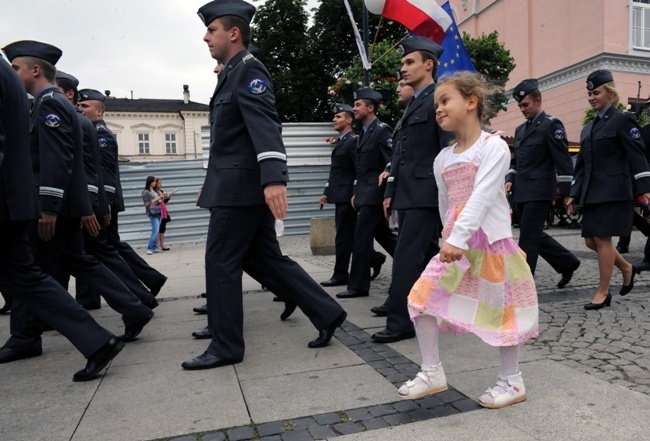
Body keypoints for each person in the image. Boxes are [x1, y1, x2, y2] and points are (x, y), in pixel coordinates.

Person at [185, 0, 347, 370]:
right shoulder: (232, 71)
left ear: (234, 33)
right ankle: (327, 311)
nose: (206, 37)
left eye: (212, 30)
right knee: (264, 258)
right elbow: (233, 138)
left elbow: (265, 125)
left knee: (221, 260)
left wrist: (274, 179)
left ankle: (225, 346)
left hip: (242, 188)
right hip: (236, 185)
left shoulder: (248, 70)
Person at [396, 71, 538, 409]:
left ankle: (511, 380)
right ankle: (432, 372)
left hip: (490, 244)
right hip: (455, 248)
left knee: (505, 314)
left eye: (445, 101)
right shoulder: (442, 158)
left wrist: (456, 238)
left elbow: (482, 196)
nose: (438, 110)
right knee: (420, 299)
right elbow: (447, 205)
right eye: (435, 106)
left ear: (471, 102)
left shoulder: (493, 147)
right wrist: (449, 237)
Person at [0, 41, 124, 381]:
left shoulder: (50, 104)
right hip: (32, 199)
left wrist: (54, 206)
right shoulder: (42, 100)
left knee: (42, 270)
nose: (14, 74)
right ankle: (44, 336)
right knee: (31, 273)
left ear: (35, 70)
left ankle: (129, 311)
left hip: (32, 201)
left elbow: (69, 163)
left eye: (18, 67)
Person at [371, 37, 451, 344]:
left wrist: (453, 195)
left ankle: (401, 322)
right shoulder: (415, 102)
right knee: (430, 255)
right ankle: (443, 304)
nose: (402, 68)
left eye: (409, 62)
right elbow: (400, 155)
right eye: (403, 63)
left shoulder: (438, 99)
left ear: (428, 64)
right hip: (410, 192)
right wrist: (392, 188)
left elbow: (448, 149)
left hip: (426, 193)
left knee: (406, 257)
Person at [567, 70, 650, 309]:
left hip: (614, 190)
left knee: (602, 240)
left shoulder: (623, 119)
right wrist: (573, 193)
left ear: (610, 93)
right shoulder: (589, 127)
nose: (592, 97)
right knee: (591, 242)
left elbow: (637, 156)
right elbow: (582, 164)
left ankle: (603, 292)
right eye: (590, 93)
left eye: (596, 92)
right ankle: (627, 268)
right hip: (592, 191)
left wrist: (646, 188)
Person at [78, 89, 168, 296]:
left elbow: (105, 171)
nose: (80, 109)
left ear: (99, 111)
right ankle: (150, 280)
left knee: (104, 247)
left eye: (85, 106)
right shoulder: (91, 132)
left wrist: (106, 202)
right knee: (105, 247)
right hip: (103, 199)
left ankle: (145, 285)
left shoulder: (100, 134)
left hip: (104, 201)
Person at [505, 79, 580, 288]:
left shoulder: (551, 125)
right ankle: (568, 262)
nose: (522, 109)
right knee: (534, 233)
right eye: (520, 105)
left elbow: (563, 160)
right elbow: (515, 161)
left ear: (538, 100)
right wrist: (510, 179)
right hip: (521, 191)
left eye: (525, 105)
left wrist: (567, 193)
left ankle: (522, 285)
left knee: (528, 238)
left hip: (539, 191)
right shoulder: (520, 130)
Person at [336, 87, 397, 299]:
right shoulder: (362, 133)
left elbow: (391, 159)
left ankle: (358, 286)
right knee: (385, 236)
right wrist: (356, 192)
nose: (355, 108)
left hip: (375, 194)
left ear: (370, 108)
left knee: (361, 239)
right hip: (365, 194)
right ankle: (419, 262)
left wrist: (388, 175)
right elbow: (361, 168)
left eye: (358, 105)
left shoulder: (382, 130)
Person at [319, 104, 385, 286]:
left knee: (344, 236)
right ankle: (373, 257)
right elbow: (337, 171)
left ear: (349, 120)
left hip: (349, 196)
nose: (334, 119)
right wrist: (326, 192)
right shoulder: (342, 141)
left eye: (339, 117)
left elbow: (359, 170)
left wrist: (356, 192)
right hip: (340, 193)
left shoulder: (353, 141)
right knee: (351, 235)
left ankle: (341, 274)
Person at [142, 176, 162, 255]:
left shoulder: (155, 191)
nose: (155, 183)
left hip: (158, 212)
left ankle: (155, 247)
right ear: (150, 182)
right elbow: (147, 204)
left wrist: (161, 199)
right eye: (154, 181)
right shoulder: (146, 192)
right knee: (155, 230)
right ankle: (149, 248)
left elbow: (158, 201)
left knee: (157, 231)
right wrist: (156, 199)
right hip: (152, 213)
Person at [155, 178, 172, 251]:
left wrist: (168, 197)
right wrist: (162, 197)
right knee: (158, 228)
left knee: (163, 228)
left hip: (164, 210)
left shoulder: (161, 191)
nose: (160, 184)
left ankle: (162, 244)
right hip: (158, 211)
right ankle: (158, 244)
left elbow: (164, 201)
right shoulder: (154, 192)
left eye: (161, 182)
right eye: (159, 182)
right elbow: (156, 202)